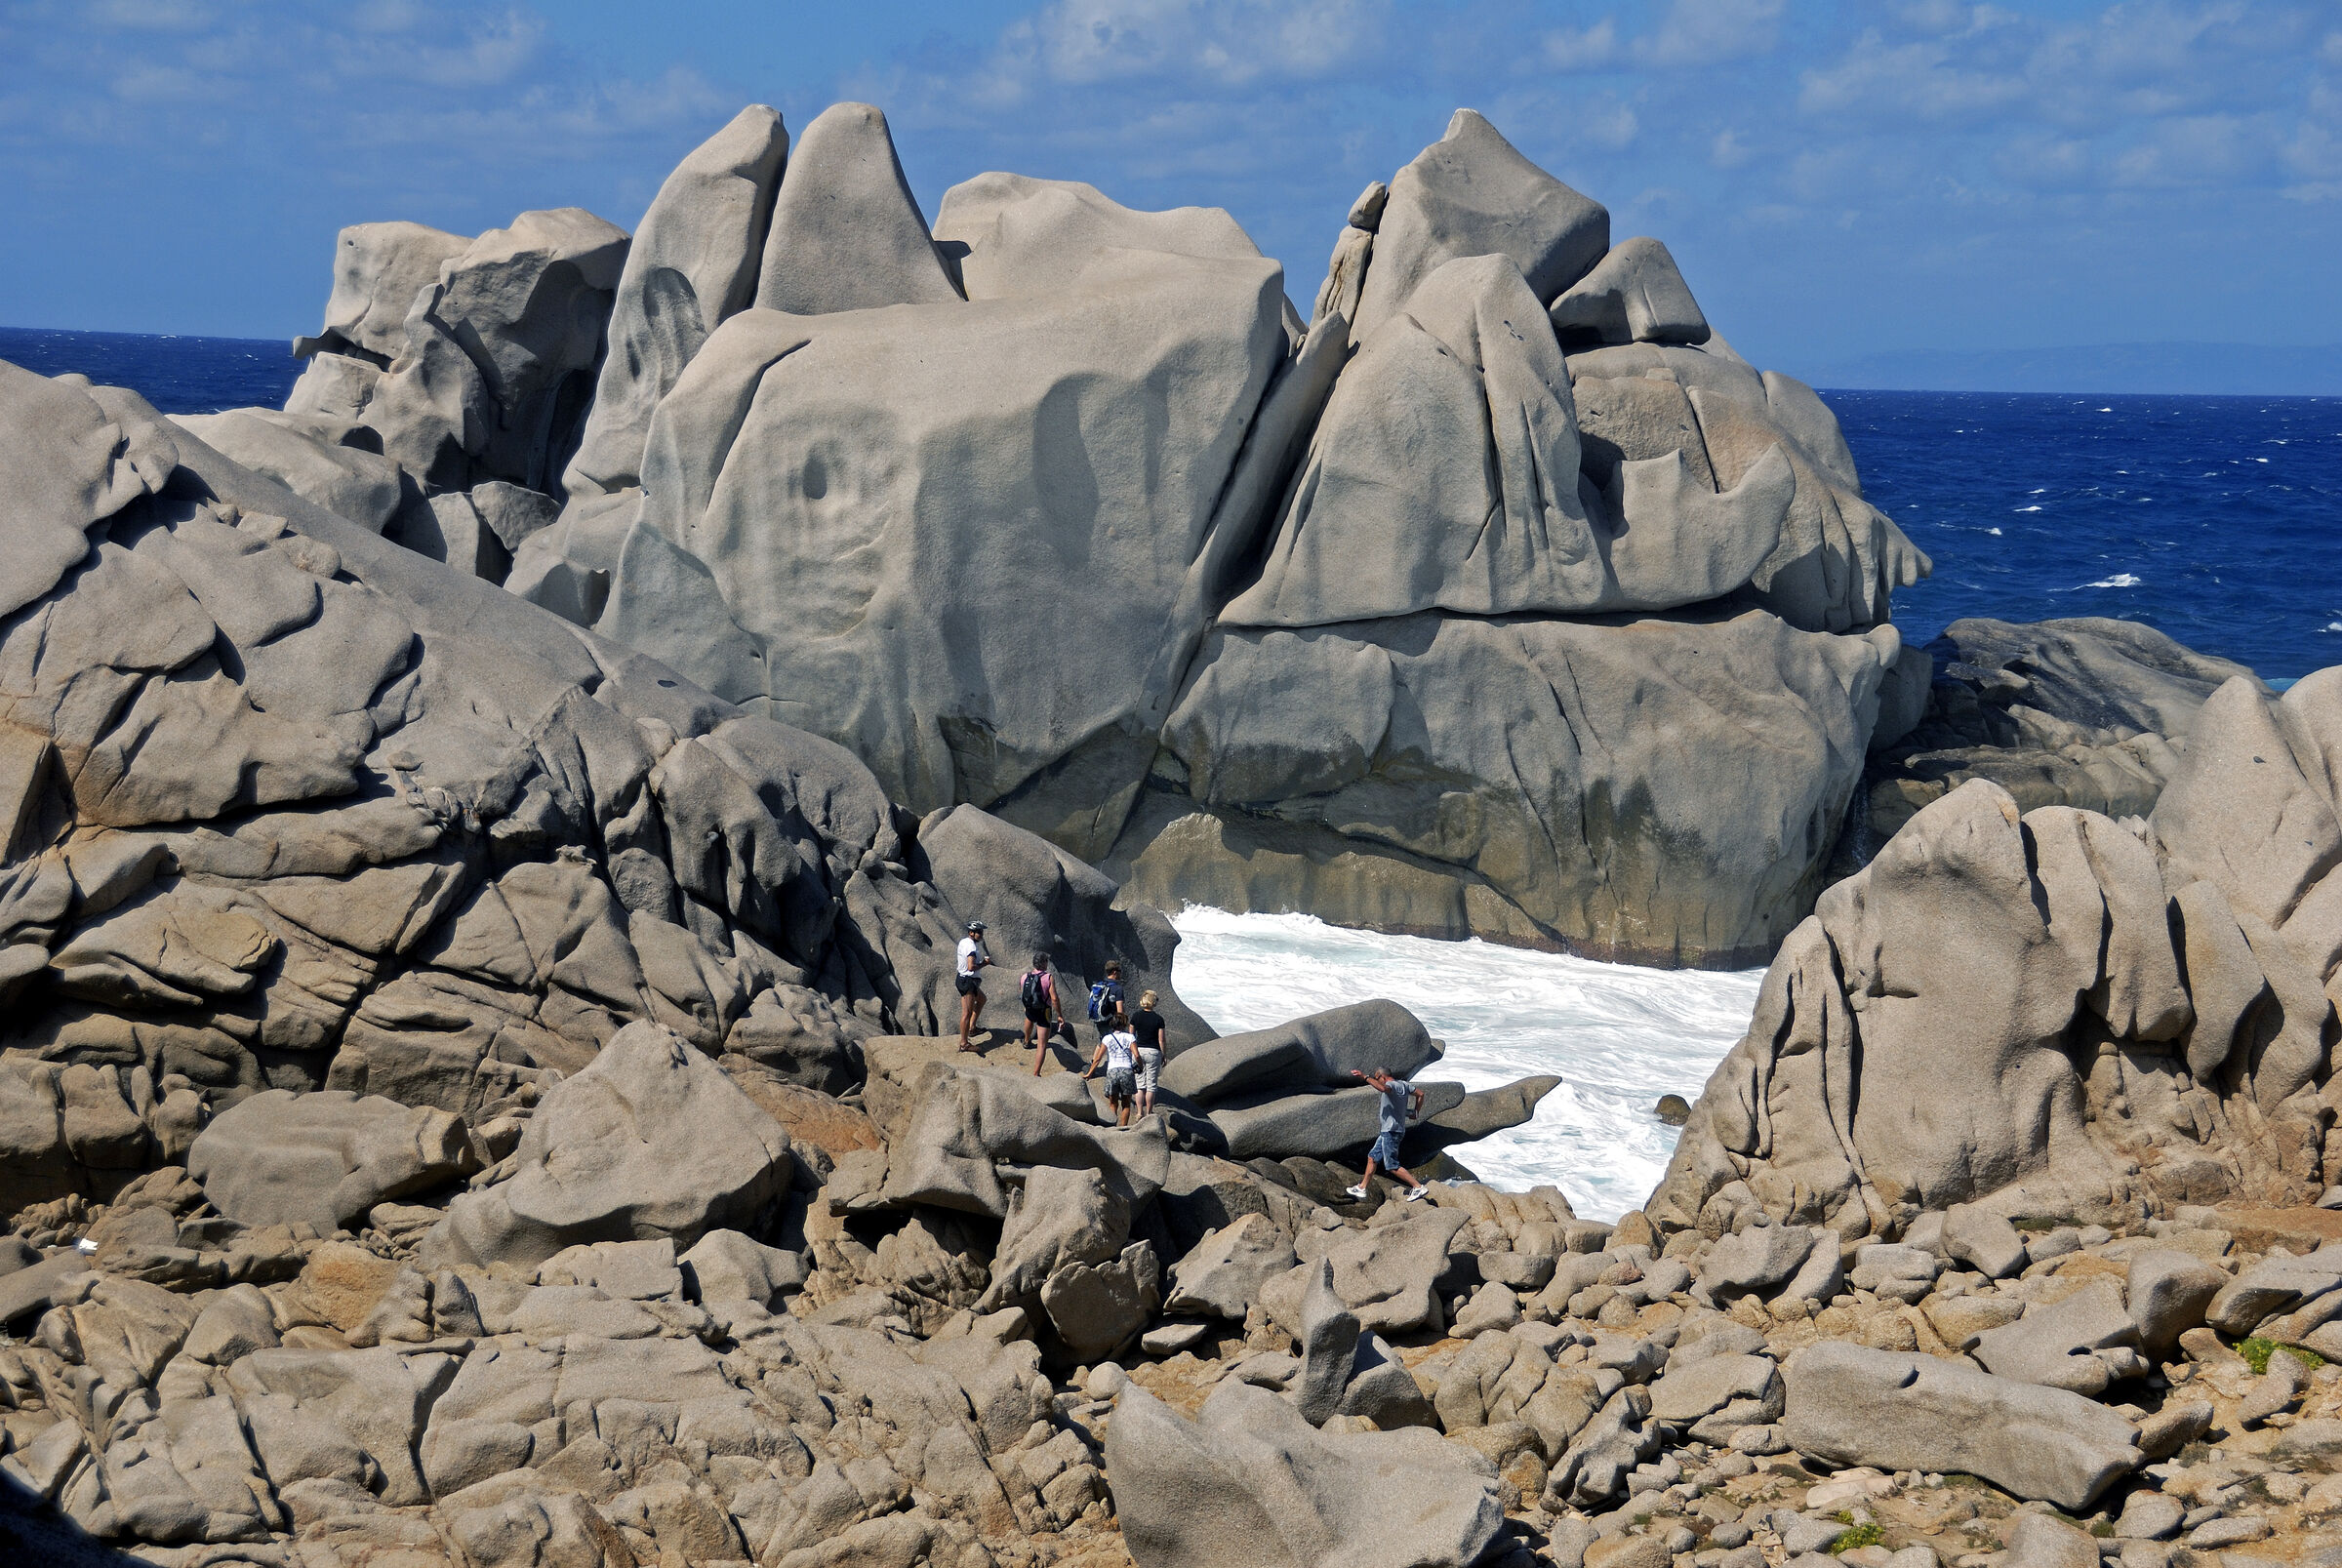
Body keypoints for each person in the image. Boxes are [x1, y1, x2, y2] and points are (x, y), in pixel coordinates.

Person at [1346, 1067, 1431, 1201]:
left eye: (1377, 1078)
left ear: (1382, 1077)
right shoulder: (1404, 1085)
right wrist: (1416, 1112)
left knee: (1391, 1165)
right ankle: (1362, 1188)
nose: (1378, 1081)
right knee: (1372, 1157)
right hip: (1392, 1130)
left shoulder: (1390, 1085)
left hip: (1391, 1131)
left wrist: (1365, 1077)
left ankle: (1418, 1187)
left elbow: (1383, 1089)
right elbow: (1421, 1094)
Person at [1084, 1004, 1140, 1128]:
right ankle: (1123, 1128)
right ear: (1124, 1024)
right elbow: (1136, 1054)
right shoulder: (1130, 1037)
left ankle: (1111, 1128)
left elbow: (1098, 1058)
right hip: (1126, 1071)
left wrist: (1089, 1073)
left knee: (1113, 1103)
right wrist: (1140, 1066)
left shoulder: (1107, 1038)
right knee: (1126, 1104)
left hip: (1112, 1071)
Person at [1020, 952, 1064, 1072]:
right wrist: (1059, 1015)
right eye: (1046, 962)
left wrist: (1026, 1006)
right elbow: (1054, 998)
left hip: (1030, 1007)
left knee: (1029, 1019)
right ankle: (1036, 1073)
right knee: (1042, 1044)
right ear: (1044, 963)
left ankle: (1027, 1040)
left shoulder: (1025, 976)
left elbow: (1022, 992)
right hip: (1044, 1010)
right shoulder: (1048, 977)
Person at [954, 920, 991, 1051]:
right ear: (971, 933)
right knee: (967, 1013)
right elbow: (971, 967)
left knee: (982, 999)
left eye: (981, 931)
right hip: (967, 981)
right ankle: (964, 1044)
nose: (981, 934)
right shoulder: (971, 948)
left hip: (965, 980)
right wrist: (984, 964)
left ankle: (972, 1028)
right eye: (979, 932)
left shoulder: (964, 941)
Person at [1130, 988, 1167, 1117]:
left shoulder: (1135, 1016)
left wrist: (1132, 1052)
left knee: (1140, 1085)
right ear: (1153, 1002)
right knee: (1151, 1085)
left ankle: (1139, 1113)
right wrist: (1163, 1054)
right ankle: (1149, 1113)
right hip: (1153, 1052)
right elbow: (1161, 1039)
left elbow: (1131, 1036)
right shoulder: (1159, 1019)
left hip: (1138, 1051)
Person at [1084, 960, 1126, 1037]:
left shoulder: (1100, 985)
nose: (1121, 973)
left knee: (1102, 1043)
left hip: (1099, 1020)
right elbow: (1120, 1011)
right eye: (1120, 971)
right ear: (1114, 972)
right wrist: (1122, 1025)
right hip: (1112, 1023)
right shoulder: (1117, 989)